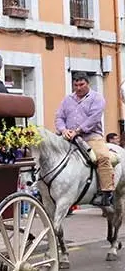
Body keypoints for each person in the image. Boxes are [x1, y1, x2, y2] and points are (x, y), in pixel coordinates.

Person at [56, 73, 114, 206]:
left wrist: (78, 130)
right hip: (68, 136)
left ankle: (107, 193)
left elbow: (94, 118)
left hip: (91, 136)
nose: (78, 88)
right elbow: (59, 117)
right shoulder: (67, 99)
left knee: (103, 157)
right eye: (76, 85)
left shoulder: (97, 98)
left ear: (88, 84)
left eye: (81, 84)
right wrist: (63, 130)